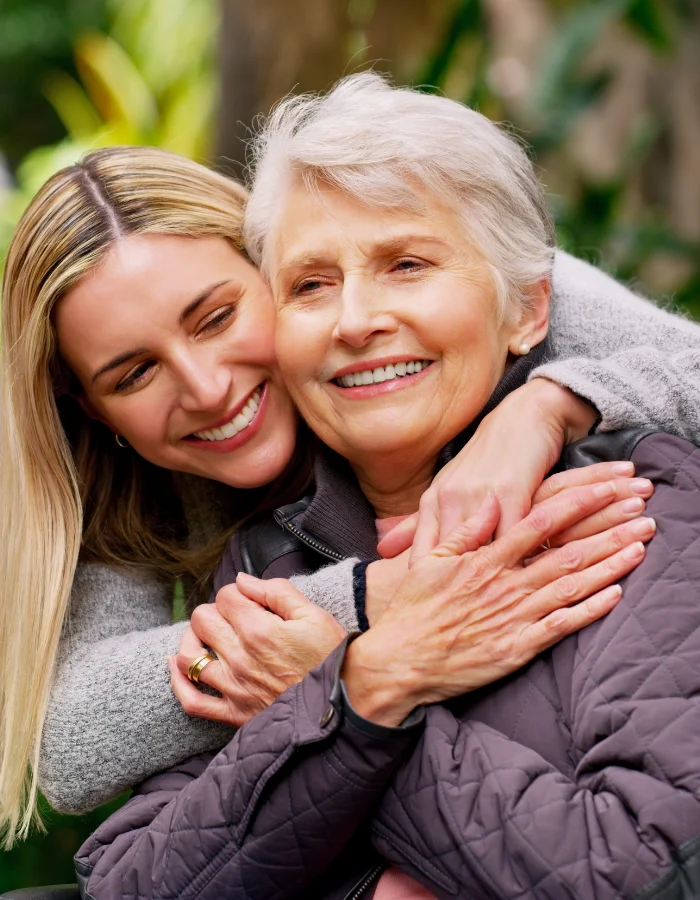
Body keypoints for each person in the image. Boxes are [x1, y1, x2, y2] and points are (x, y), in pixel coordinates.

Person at [73, 75, 700, 899]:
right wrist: (366, 684)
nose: (354, 320)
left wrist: (338, 695)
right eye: (310, 284)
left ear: (528, 311)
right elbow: (125, 884)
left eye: (406, 264)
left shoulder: (631, 504)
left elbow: (645, 876)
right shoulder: (271, 566)